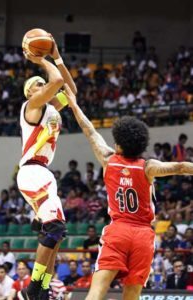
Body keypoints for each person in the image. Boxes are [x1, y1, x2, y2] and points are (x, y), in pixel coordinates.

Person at [64, 83, 193, 300]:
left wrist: (74, 104)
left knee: (97, 291)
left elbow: (89, 130)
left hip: (118, 230)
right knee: (132, 294)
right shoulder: (148, 166)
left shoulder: (107, 159)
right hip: (143, 234)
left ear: (121, 141)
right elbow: (181, 167)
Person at [17, 36, 77, 300]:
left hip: (43, 172)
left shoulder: (51, 108)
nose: (42, 85)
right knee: (54, 228)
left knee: (57, 233)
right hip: (32, 170)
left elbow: (71, 91)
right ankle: (34, 286)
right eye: (37, 85)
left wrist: (58, 57)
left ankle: (41, 289)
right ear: (31, 93)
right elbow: (55, 82)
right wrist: (41, 59)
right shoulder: (31, 107)